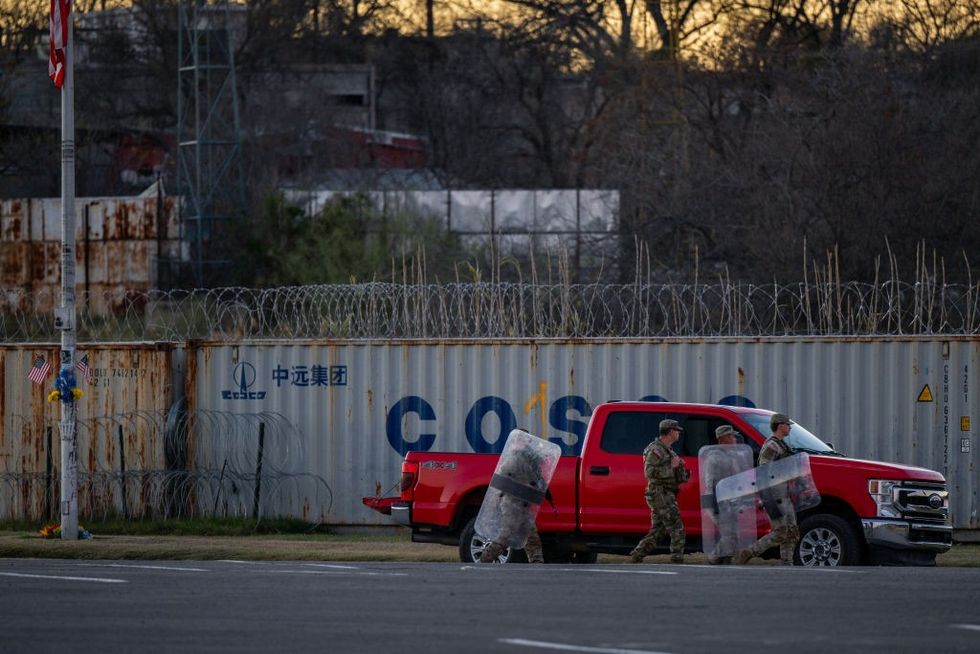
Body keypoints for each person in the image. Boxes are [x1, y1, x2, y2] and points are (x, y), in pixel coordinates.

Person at [734, 412, 800, 565]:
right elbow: (763, 472)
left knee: (791, 531)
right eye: (787, 424)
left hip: (785, 495)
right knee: (780, 532)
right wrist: (766, 497)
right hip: (774, 496)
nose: (789, 427)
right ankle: (749, 552)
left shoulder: (782, 444)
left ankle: (787, 562)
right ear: (780, 425)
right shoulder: (772, 445)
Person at [629, 419, 690, 564]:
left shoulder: (668, 451)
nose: (678, 433)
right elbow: (649, 472)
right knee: (676, 525)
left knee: (659, 530)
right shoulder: (655, 450)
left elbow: (675, 476)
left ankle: (638, 554)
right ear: (670, 432)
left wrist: (682, 471)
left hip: (666, 493)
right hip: (659, 493)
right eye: (676, 431)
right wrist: (673, 467)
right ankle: (677, 557)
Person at [703, 424, 745, 564]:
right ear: (722, 439)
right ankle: (713, 557)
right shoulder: (714, 457)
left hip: (728, 501)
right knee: (729, 535)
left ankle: (725, 561)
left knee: (735, 535)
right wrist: (713, 505)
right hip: (716, 501)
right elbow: (710, 484)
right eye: (731, 436)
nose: (735, 439)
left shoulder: (732, 456)